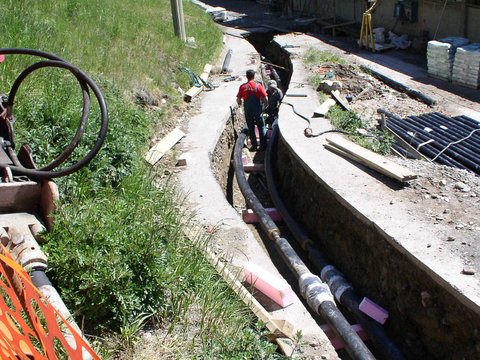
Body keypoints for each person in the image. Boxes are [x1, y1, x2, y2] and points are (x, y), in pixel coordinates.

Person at [236, 69, 268, 151]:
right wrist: (264, 107)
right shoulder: (258, 86)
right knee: (261, 127)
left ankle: (254, 146)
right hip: (257, 110)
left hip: (248, 110)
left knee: (251, 127)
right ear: (254, 76)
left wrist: (239, 105)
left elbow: (238, 99)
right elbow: (265, 98)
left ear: (246, 77)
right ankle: (263, 146)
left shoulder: (242, 87)